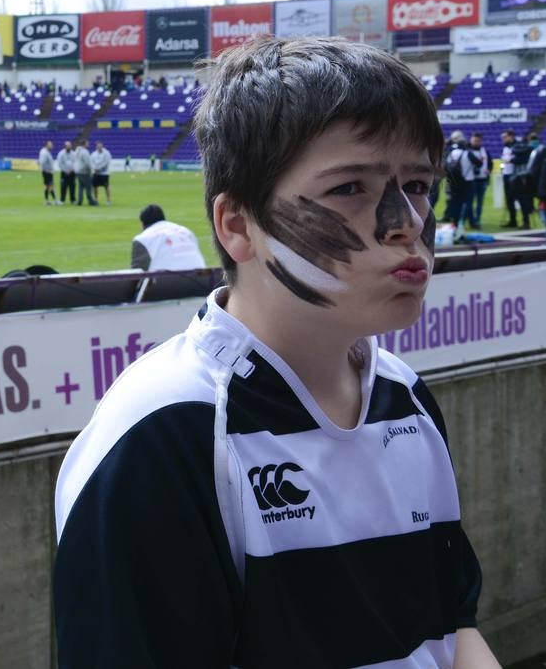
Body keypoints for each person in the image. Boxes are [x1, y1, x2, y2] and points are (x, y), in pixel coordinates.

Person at [54, 37, 493, 667]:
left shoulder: (405, 397)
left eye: (419, 184)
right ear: (237, 226)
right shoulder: (163, 436)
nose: (407, 223)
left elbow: (452, 631)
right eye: (349, 188)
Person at [130, 204, 205, 271]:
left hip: (166, 283)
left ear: (143, 224)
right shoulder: (186, 231)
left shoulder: (143, 239)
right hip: (201, 280)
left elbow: (137, 273)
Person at [467, 131, 490, 229]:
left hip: (482, 179)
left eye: (478, 141)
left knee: (480, 202)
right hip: (472, 180)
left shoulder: (484, 150)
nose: (476, 142)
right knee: (469, 202)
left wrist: (489, 169)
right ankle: (469, 220)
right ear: (471, 140)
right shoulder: (468, 151)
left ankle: (477, 220)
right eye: (474, 140)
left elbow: (490, 162)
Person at [90, 141, 113, 206]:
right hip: (96, 173)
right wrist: (94, 168)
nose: (99, 147)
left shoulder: (106, 153)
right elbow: (91, 162)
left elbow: (107, 162)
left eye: (100, 146)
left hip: (104, 173)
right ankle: (96, 200)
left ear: (102, 146)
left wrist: (99, 168)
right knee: (95, 187)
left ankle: (108, 200)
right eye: (98, 146)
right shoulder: (93, 154)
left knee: (106, 186)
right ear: (96, 146)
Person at [38, 140, 57, 205]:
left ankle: (47, 200)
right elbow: (41, 162)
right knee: (50, 186)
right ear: (46, 145)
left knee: (48, 186)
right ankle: (54, 200)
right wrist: (45, 170)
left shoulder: (46, 152)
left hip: (48, 171)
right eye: (50, 145)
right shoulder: (44, 153)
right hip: (47, 172)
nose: (52, 146)